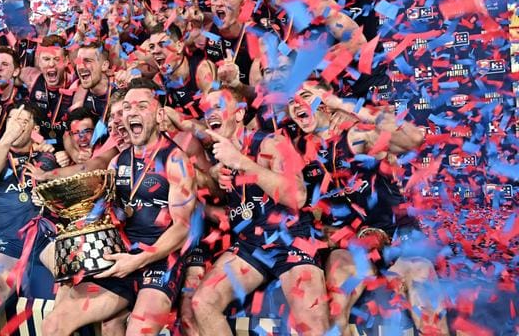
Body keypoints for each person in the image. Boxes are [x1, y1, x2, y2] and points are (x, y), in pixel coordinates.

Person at [288, 80, 448, 335]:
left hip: (396, 239)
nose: (296, 105)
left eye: (305, 96)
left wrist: (342, 105)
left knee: (421, 276)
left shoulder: (354, 136)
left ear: (324, 102)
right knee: (335, 299)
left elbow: (414, 138)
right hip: (352, 247)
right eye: (290, 102)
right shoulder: (298, 151)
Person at [42, 78, 197, 336]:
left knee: (138, 332)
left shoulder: (176, 160)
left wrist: (140, 259)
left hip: (159, 262)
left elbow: (182, 227)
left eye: (142, 106)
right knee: (54, 324)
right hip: (121, 257)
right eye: (127, 107)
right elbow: (104, 214)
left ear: (159, 116)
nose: (132, 112)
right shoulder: (116, 163)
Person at [190, 87, 329, 336]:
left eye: (218, 107)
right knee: (203, 302)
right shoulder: (219, 154)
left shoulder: (269, 142)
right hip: (250, 245)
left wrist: (241, 162)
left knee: (314, 327)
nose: (210, 113)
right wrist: (211, 177)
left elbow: (297, 195)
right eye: (206, 110)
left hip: (290, 238)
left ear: (240, 114)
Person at [0, 102, 59, 335]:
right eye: (12, 120)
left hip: (44, 237)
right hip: (9, 243)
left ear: (34, 128)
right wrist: (7, 139)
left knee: (75, 283)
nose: (16, 126)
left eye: (23, 121)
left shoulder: (47, 157)